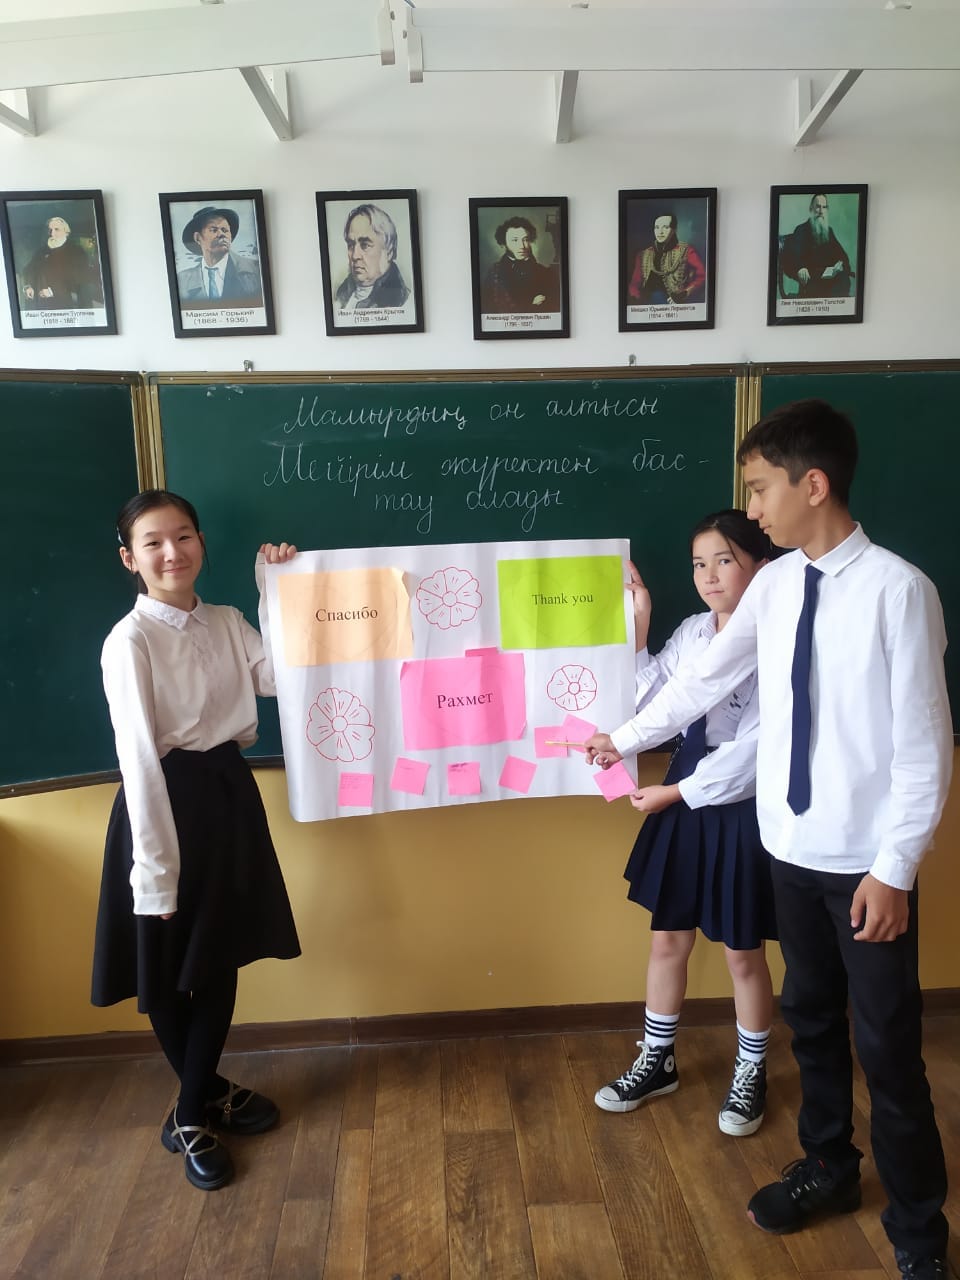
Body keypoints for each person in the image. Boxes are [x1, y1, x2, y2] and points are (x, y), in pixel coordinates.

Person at [584, 400, 953, 1280]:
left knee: (887, 1049)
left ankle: (918, 1232)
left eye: (759, 489)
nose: (751, 509)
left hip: (865, 869)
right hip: (786, 849)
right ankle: (829, 1166)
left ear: (812, 484)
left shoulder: (898, 591)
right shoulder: (779, 585)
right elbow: (701, 679)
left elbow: (925, 748)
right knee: (812, 1024)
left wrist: (895, 870)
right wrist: (623, 738)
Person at [91, 490, 301, 1192]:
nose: (171, 552)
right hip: (163, 802)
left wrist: (275, 592)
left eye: (183, 536)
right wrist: (154, 870)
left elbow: (279, 678)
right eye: (152, 542)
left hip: (227, 797)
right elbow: (138, 758)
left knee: (218, 953)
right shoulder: (130, 641)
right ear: (130, 558)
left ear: (202, 544)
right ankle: (192, 1113)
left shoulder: (227, 620)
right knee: (166, 957)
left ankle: (200, 1096)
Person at [594, 511, 778, 1138]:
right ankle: (658, 1059)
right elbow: (654, 701)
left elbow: (756, 752)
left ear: (760, 565)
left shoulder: (778, 638)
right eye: (699, 564)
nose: (709, 576)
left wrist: (677, 792)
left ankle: (751, 1069)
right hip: (682, 788)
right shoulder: (696, 631)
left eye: (725, 560)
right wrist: (641, 624)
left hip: (736, 801)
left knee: (742, 951)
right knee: (667, 938)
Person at [176, 206, 262, 305]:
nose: (221, 234)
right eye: (214, 230)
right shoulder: (183, 280)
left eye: (225, 230)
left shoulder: (256, 270)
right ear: (198, 238)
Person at [335, 203, 410, 311]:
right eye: (351, 245)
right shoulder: (339, 296)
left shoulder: (403, 301)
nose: (355, 256)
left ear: (389, 252)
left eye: (365, 245)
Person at [481, 215, 560, 313]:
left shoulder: (545, 273)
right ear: (504, 244)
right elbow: (488, 309)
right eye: (515, 240)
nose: (522, 246)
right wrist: (530, 306)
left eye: (525, 239)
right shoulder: (494, 273)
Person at [779, 194, 852, 299]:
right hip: (812, 282)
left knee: (843, 279)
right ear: (811, 208)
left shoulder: (829, 232)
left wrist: (840, 265)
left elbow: (842, 256)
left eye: (824, 207)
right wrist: (800, 268)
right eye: (818, 206)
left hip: (832, 282)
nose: (821, 211)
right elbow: (793, 253)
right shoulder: (801, 230)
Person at [628, 212, 706, 306]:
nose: (660, 232)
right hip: (648, 305)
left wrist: (685, 292)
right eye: (657, 227)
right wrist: (637, 300)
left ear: (674, 230)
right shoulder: (643, 254)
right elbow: (634, 284)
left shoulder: (687, 251)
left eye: (665, 227)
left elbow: (702, 277)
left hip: (676, 305)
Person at [21, 215, 98, 309]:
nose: (52, 233)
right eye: (50, 230)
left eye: (56, 229)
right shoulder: (42, 251)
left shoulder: (76, 251)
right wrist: (28, 286)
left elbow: (80, 280)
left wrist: (53, 291)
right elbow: (29, 269)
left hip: (65, 305)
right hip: (41, 306)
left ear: (66, 232)